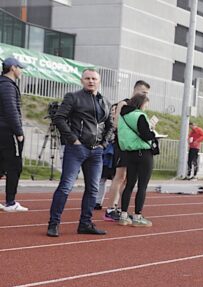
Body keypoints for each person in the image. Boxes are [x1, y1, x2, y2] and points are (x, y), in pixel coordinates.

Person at [47, 69, 113, 237]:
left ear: (99, 81)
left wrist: (103, 144)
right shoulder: (73, 97)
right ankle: (53, 224)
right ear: (82, 80)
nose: (91, 81)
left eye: (94, 78)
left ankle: (85, 223)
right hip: (76, 149)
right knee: (65, 186)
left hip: (96, 152)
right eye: (87, 78)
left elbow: (110, 125)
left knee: (93, 189)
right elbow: (59, 118)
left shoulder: (105, 101)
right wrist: (73, 140)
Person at [103, 80, 150, 221]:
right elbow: (116, 124)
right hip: (122, 145)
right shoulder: (124, 104)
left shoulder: (138, 108)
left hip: (134, 146)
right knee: (120, 176)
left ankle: (119, 208)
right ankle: (111, 209)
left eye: (147, 93)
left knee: (128, 179)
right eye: (143, 92)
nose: (145, 95)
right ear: (135, 90)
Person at [117, 94, 158, 227]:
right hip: (143, 153)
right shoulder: (139, 115)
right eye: (146, 104)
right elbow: (146, 135)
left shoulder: (123, 115)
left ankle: (123, 215)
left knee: (129, 184)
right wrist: (154, 134)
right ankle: (138, 216)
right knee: (142, 186)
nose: (146, 107)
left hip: (130, 153)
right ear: (141, 103)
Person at [0, 57, 28, 212]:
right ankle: (10, 202)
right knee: (14, 166)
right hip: (8, 131)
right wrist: (18, 132)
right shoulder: (8, 86)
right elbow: (11, 110)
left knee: (1, 165)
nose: (21, 71)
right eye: (20, 67)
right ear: (13, 68)